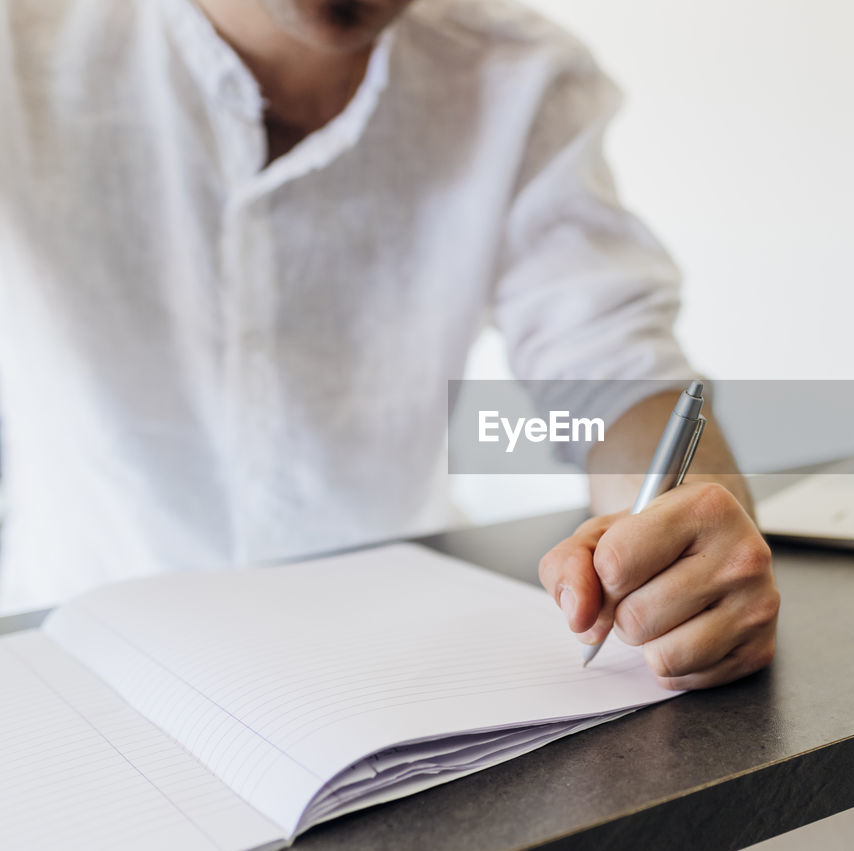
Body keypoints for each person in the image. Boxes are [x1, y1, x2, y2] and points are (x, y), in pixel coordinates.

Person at [0, 0, 778, 689]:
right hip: (64, 654)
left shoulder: (516, 75)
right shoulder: (21, 45)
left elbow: (613, 379)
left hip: (391, 677)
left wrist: (679, 542)